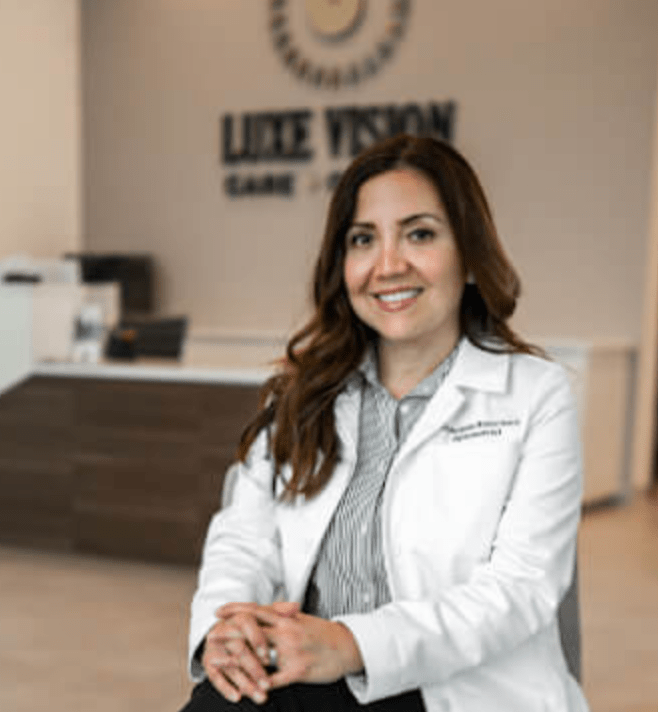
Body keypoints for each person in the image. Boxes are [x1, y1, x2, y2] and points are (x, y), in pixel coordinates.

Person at [180, 134, 590, 711]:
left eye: (419, 234)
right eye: (363, 239)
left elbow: (518, 590)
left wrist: (353, 644)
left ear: (469, 255)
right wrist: (225, 627)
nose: (388, 265)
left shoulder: (536, 394)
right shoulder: (304, 392)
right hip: (309, 671)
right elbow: (245, 538)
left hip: (455, 688)